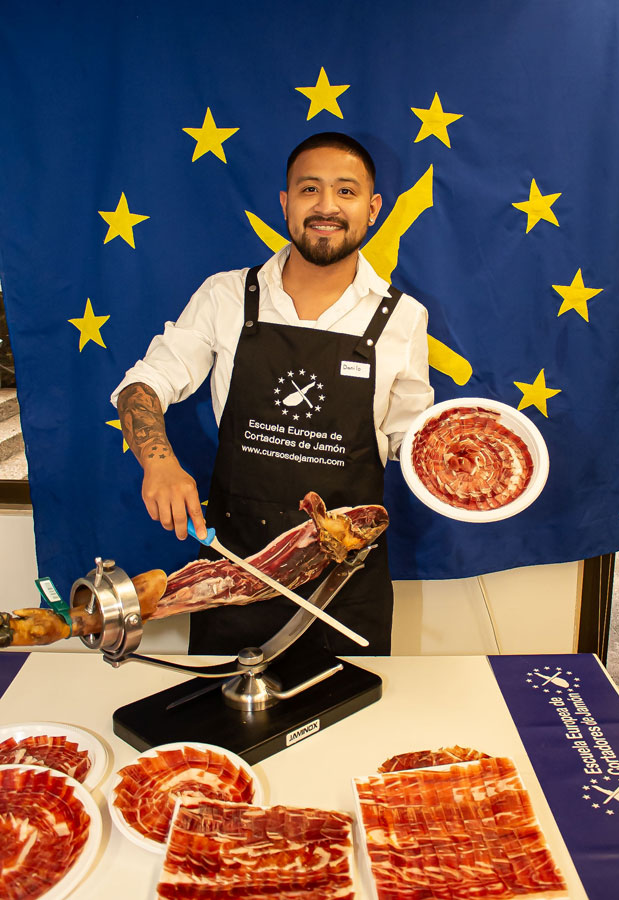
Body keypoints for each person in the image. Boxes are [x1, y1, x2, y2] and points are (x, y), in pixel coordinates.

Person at [112, 132, 433, 656]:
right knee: (222, 727)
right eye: (310, 189)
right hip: (233, 574)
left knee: (353, 726)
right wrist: (159, 462)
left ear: (373, 208)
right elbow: (142, 385)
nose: (327, 206)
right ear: (285, 204)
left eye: (346, 192)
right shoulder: (226, 295)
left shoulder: (403, 317)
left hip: (345, 579)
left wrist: (467, 472)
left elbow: (410, 439)